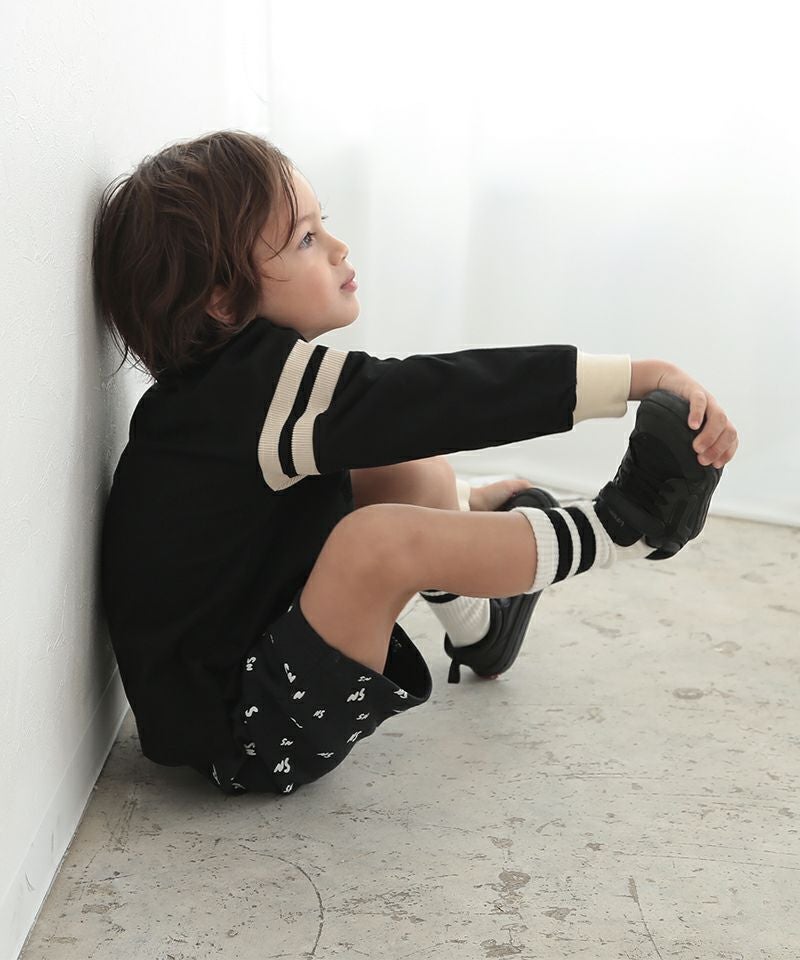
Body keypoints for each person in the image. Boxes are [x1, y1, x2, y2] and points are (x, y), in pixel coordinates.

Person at [93, 130, 739, 797]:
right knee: (377, 541)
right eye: (306, 239)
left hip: (252, 647)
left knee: (411, 471)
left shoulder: (219, 392)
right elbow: (437, 397)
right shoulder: (250, 394)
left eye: (323, 224)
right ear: (225, 301)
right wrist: (634, 378)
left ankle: (482, 629)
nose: (339, 248)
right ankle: (624, 528)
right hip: (247, 736)